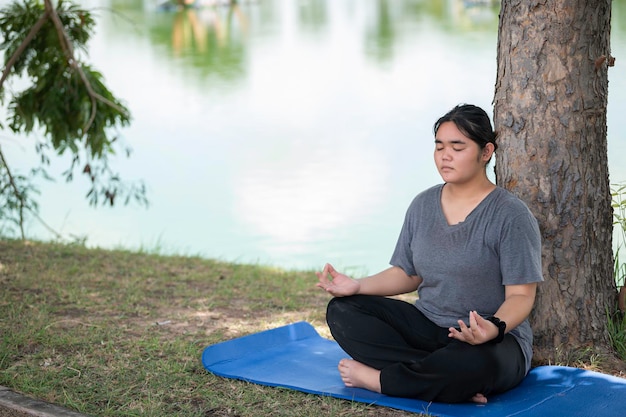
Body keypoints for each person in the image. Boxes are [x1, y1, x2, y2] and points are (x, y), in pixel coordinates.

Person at [316, 104, 543, 404]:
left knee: (473, 362)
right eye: (439, 147)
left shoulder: (511, 215)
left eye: (457, 147)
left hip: (489, 340)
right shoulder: (422, 205)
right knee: (344, 311)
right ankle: (443, 379)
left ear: (486, 152)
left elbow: (521, 297)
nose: (445, 156)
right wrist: (357, 286)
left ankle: (383, 380)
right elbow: (408, 274)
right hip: (428, 328)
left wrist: (493, 328)